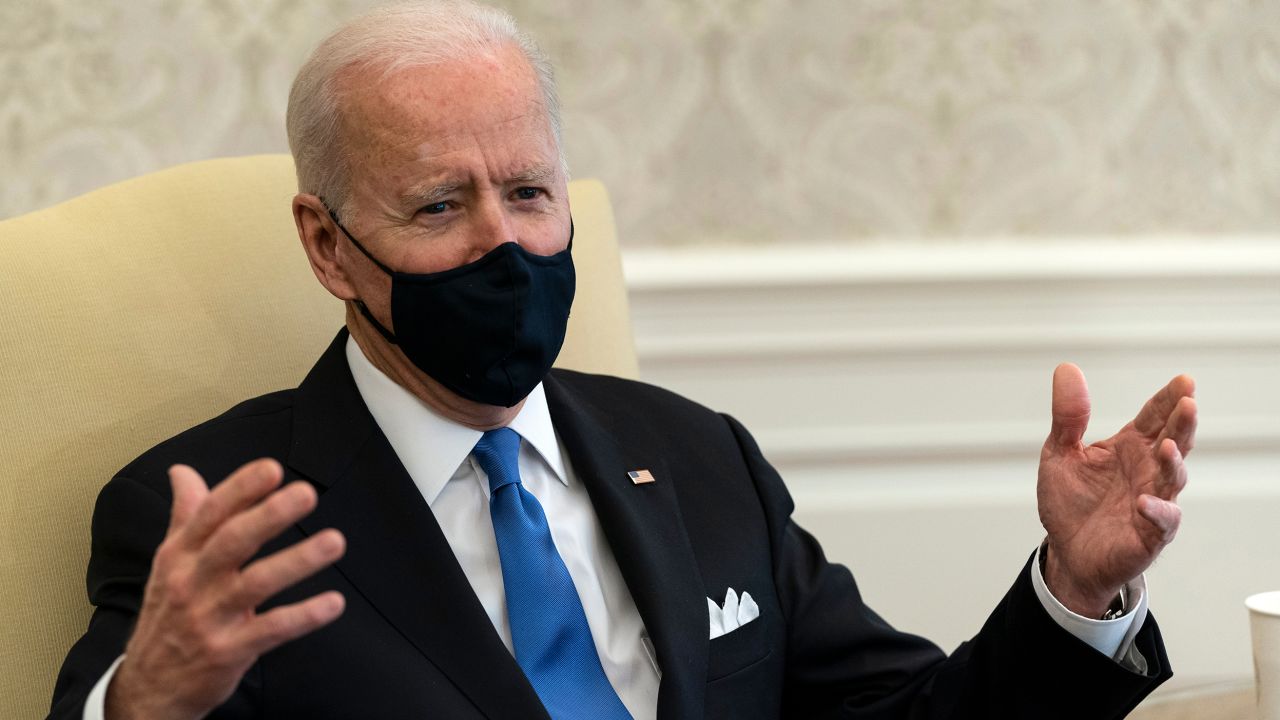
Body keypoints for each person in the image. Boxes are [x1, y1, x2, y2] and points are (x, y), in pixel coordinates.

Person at [47, 1, 1197, 718]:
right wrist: (146, 706)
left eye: (529, 192)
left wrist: (1074, 589)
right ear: (326, 245)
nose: (502, 241)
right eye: (441, 204)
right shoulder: (206, 519)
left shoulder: (695, 457)